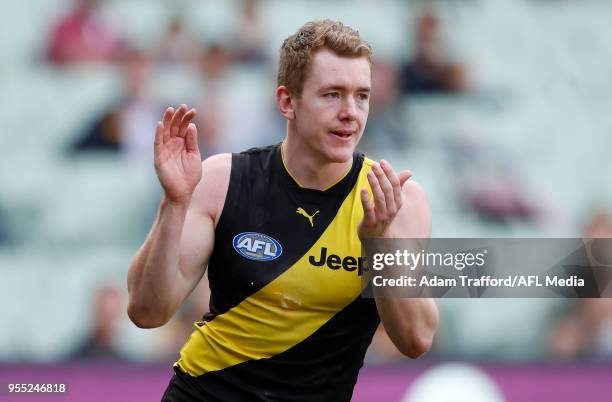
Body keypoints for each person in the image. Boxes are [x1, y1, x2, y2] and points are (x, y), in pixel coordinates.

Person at [127, 20, 439, 401]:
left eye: (361, 95)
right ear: (287, 101)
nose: (350, 112)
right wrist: (174, 202)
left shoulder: (396, 199)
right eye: (332, 94)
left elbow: (416, 340)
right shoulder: (221, 180)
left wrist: (379, 243)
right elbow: (147, 312)